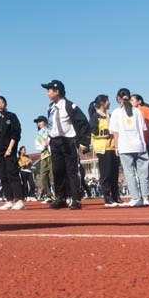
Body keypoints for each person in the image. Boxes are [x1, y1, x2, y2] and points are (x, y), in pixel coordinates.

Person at [42, 80, 90, 210]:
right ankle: (61, 198)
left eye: (49, 90)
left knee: (72, 171)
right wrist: (49, 138)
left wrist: (84, 142)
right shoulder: (51, 107)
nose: (47, 93)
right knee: (57, 171)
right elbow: (51, 125)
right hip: (55, 142)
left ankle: (75, 198)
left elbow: (83, 123)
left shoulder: (70, 106)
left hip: (68, 141)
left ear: (57, 91)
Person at [111, 88, 149, 207]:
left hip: (125, 146)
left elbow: (115, 132)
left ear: (118, 99)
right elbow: (143, 129)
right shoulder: (137, 111)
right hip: (139, 145)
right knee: (143, 173)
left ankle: (135, 197)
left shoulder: (116, 113)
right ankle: (145, 197)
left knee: (129, 173)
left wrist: (116, 147)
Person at [0, 96, 24, 210]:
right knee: (3, 176)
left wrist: (10, 148)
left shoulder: (12, 116)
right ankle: (9, 200)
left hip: (9, 151)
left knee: (12, 174)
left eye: (1, 102)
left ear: (5, 104)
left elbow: (16, 133)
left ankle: (19, 199)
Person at [89, 95, 121, 207]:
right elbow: (93, 132)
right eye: (108, 101)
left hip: (113, 147)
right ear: (103, 103)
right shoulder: (95, 116)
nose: (109, 103)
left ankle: (116, 197)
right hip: (103, 148)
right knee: (106, 174)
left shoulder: (110, 115)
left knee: (114, 173)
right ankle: (108, 198)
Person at [33, 116, 53, 202]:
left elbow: (53, 140)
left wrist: (48, 143)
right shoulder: (38, 134)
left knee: (53, 176)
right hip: (43, 156)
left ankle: (58, 195)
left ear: (45, 122)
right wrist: (43, 146)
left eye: (40, 121)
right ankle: (49, 195)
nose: (38, 123)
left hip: (52, 155)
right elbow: (37, 146)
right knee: (43, 177)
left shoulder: (50, 130)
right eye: (37, 122)